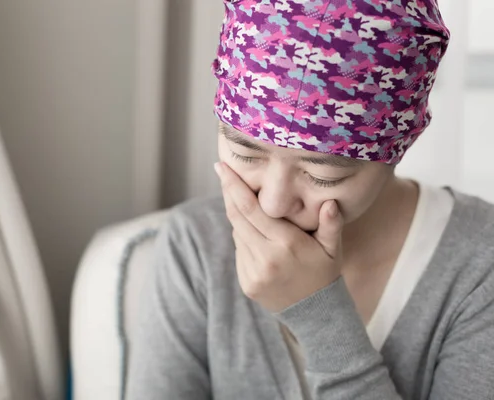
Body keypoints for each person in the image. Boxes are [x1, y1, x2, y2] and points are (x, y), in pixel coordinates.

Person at [125, 1, 494, 399]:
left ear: (398, 147)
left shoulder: (479, 268)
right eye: (246, 153)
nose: (273, 204)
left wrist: (318, 316)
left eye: (323, 174)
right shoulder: (195, 247)